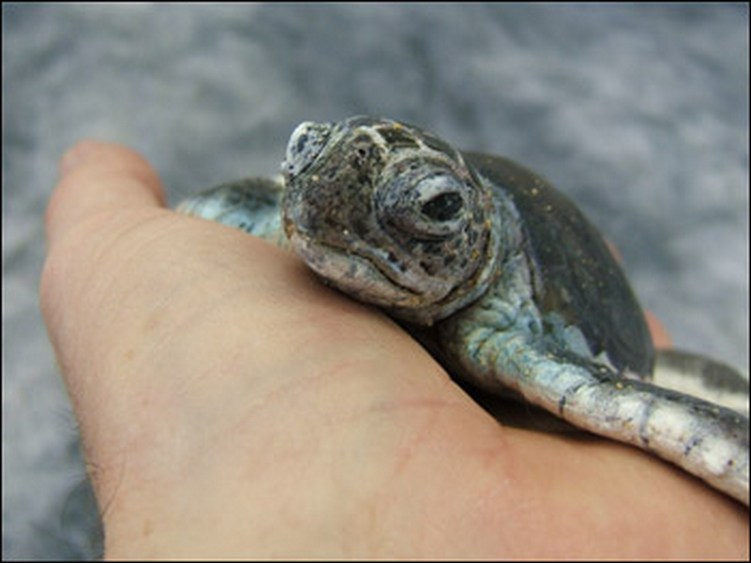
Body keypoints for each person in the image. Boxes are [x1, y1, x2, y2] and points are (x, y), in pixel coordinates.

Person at [40, 140, 748, 558]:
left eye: (431, 209)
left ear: (470, 234)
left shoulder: (503, 328)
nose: (320, 212)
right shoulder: (303, 215)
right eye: (305, 159)